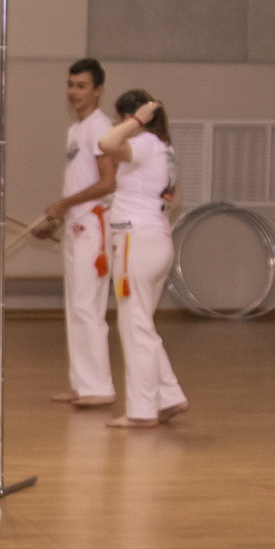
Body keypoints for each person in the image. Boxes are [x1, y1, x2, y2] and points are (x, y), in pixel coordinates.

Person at [26, 59, 116, 408]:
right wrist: (57, 221)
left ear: (98, 90)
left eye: (81, 86)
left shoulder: (101, 127)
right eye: (70, 85)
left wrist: (63, 204)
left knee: (87, 305)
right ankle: (83, 384)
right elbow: (81, 182)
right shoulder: (75, 130)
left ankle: (99, 387)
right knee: (74, 307)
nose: (74, 92)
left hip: (95, 226)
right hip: (76, 226)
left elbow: (108, 183)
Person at [98, 92, 188, 430]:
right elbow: (176, 200)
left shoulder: (147, 142)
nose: (118, 125)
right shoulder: (166, 151)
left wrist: (138, 119)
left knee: (135, 328)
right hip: (155, 241)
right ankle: (169, 396)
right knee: (140, 325)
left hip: (136, 243)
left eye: (120, 117)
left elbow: (106, 143)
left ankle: (141, 411)